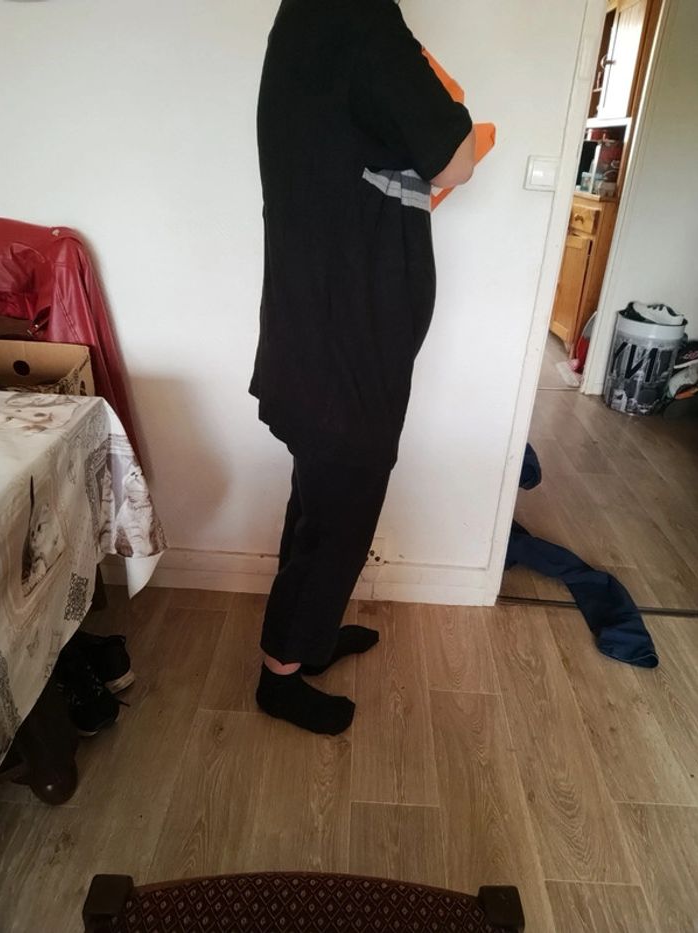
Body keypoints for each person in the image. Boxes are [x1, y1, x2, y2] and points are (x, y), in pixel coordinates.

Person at [251, 0, 476, 735]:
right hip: (346, 337)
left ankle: (307, 640)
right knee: (342, 507)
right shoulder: (360, 18)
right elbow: (457, 158)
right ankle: (282, 674)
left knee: (321, 498)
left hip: (321, 326)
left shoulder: (308, 20)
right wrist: (451, 110)